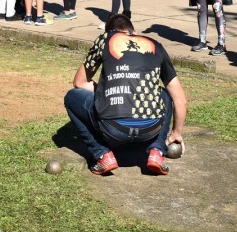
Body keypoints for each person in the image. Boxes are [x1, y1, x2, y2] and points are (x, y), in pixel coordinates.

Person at [63, 14, 187, 176]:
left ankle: (102, 154)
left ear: (109, 32)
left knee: (71, 97)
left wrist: (105, 90)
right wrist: (176, 134)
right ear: (134, 32)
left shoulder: (105, 39)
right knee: (166, 93)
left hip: (113, 130)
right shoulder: (156, 45)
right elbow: (180, 100)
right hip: (150, 130)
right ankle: (157, 150)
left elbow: (79, 83)